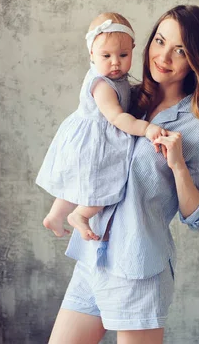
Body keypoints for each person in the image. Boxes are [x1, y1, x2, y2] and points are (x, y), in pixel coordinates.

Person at [47, 5, 199, 344]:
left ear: (196, 60)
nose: (164, 56)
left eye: (181, 50)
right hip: (93, 258)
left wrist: (177, 165)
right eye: (160, 41)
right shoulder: (123, 99)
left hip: (139, 268)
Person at [36, 12, 163, 241]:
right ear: (91, 54)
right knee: (103, 184)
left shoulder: (114, 77)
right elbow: (116, 117)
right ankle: (80, 215)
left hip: (86, 137)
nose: (115, 62)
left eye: (123, 55)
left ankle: (55, 216)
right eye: (106, 55)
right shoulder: (101, 85)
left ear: (133, 49)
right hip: (95, 140)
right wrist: (145, 128)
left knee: (78, 182)